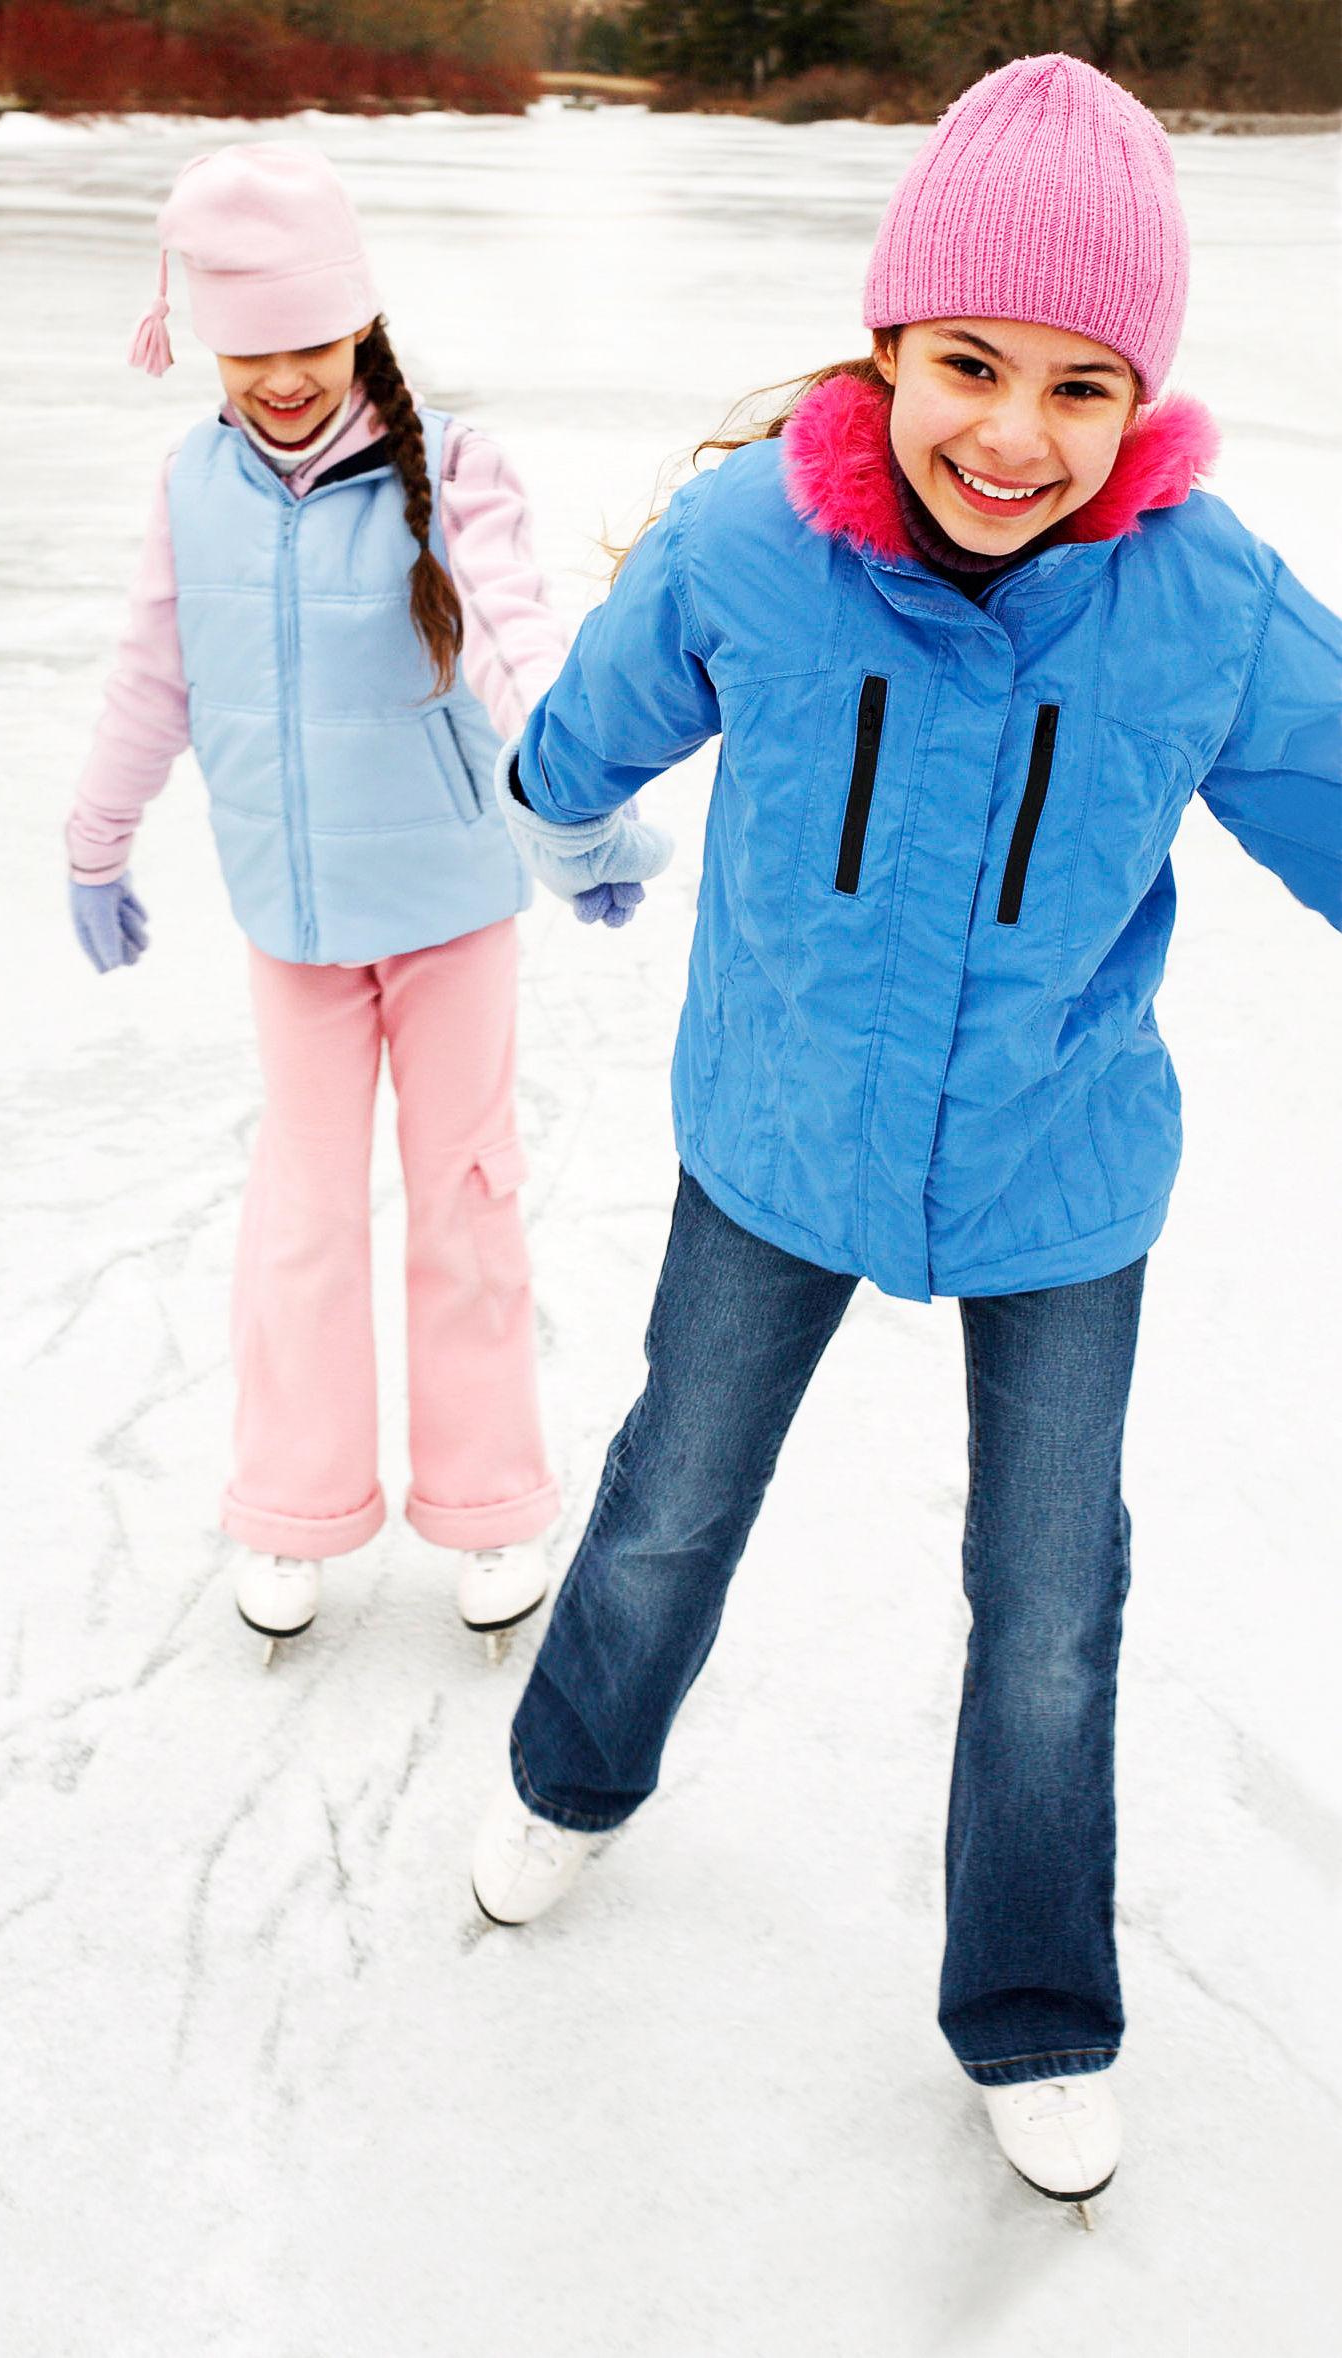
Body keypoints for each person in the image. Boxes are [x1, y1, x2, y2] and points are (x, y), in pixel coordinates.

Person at [465, 54, 1340, 2213]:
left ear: (1140, 400)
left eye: (1080, 385)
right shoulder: (755, 542)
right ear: (889, 345)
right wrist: (569, 820)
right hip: (779, 1132)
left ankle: (1031, 2003)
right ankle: (570, 1773)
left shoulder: (1201, 599)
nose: (1014, 434)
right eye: (970, 364)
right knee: (673, 1496)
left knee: (1049, 1597)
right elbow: (592, 728)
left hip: (1057, 1171)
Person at [67, 145, 570, 1661]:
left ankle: (487, 1503)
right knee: (301, 1214)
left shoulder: (454, 470)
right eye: (250, 349)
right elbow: (152, 674)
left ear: (359, 325)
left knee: (466, 1200)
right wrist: (97, 838)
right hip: (292, 919)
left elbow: (517, 643)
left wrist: (579, 803)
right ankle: (295, 1504)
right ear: (206, 343)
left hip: (448, 907)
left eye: (310, 341)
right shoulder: (193, 485)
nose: (282, 379)